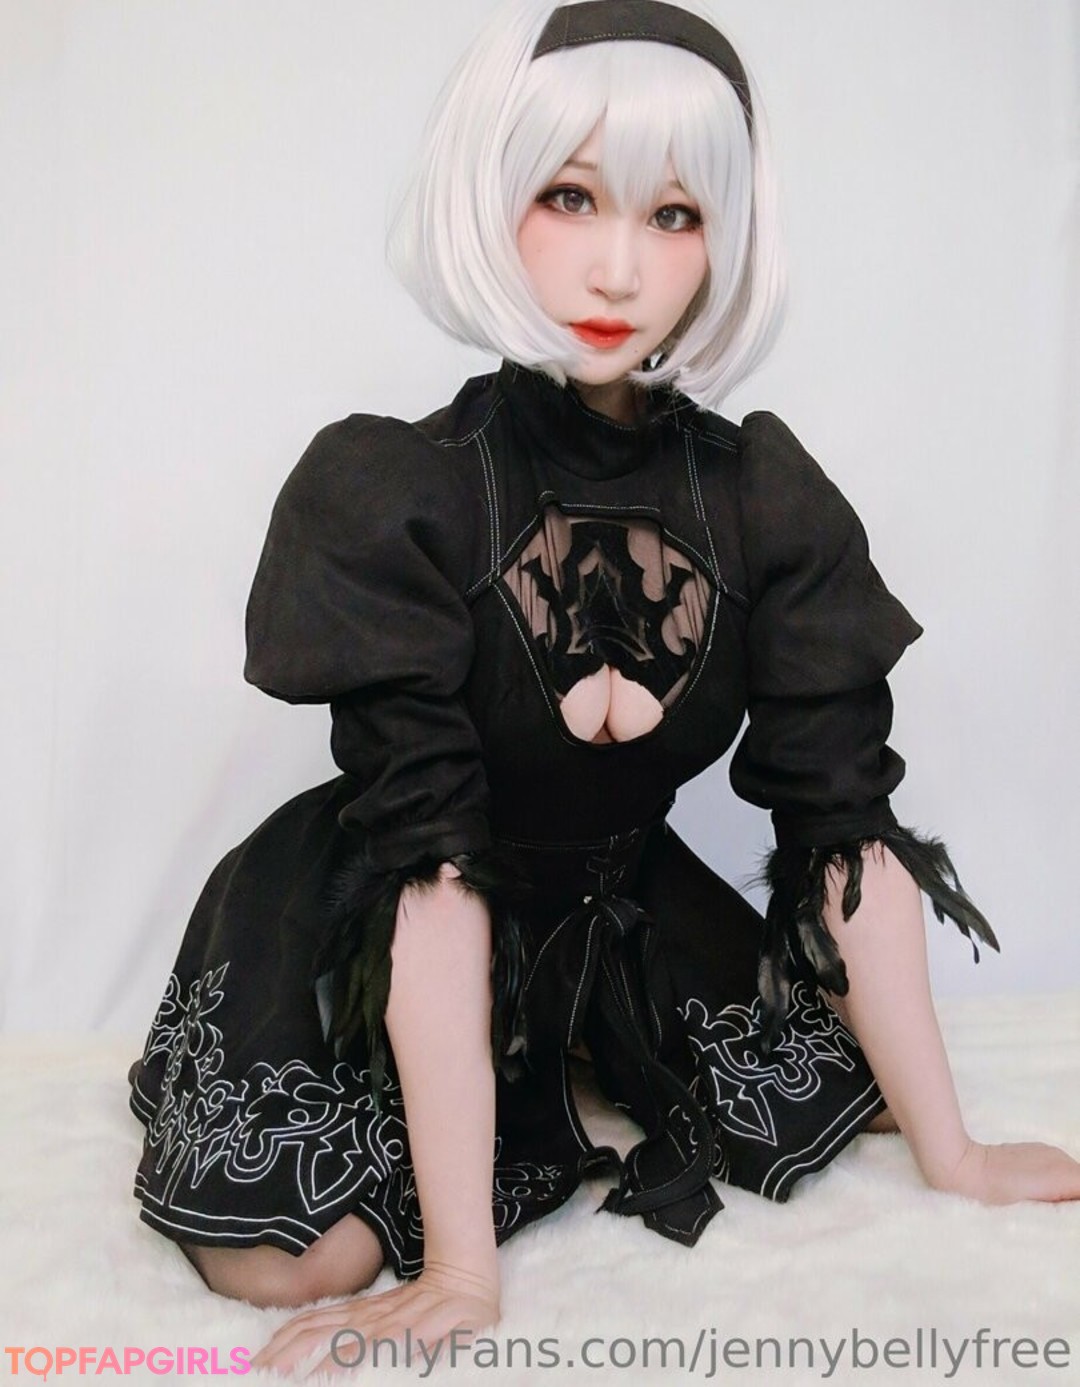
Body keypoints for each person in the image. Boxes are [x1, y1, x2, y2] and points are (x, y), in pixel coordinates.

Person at [127, 0, 1080, 1375]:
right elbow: (430, 866)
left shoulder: (760, 496)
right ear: (493, 194)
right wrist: (460, 1269)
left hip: (620, 902)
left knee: (829, 1089)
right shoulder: (406, 492)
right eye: (569, 196)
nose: (620, 267)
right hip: (397, 902)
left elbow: (842, 825)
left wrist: (959, 1154)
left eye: (675, 214)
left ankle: (575, 1045)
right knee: (298, 1256)